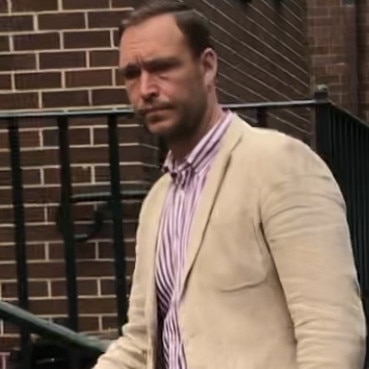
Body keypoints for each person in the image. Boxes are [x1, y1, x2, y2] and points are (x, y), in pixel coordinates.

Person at [93, 1, 366, 369]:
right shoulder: (158, 200)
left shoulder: (280, 165)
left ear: (207, 67)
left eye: (161, 67)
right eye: (131, 73)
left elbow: (332, 335)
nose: (146, 89)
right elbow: (141, 341)